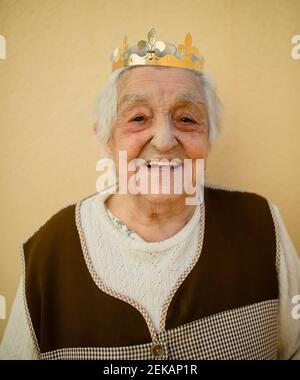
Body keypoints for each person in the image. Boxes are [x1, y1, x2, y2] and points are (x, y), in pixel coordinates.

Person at [1, 28, 299, 360]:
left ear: (209, 137)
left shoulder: (260, 223)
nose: (164, 140)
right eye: (139, 118)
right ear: (106, 139)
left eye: (186, 119)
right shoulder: (48, 253)